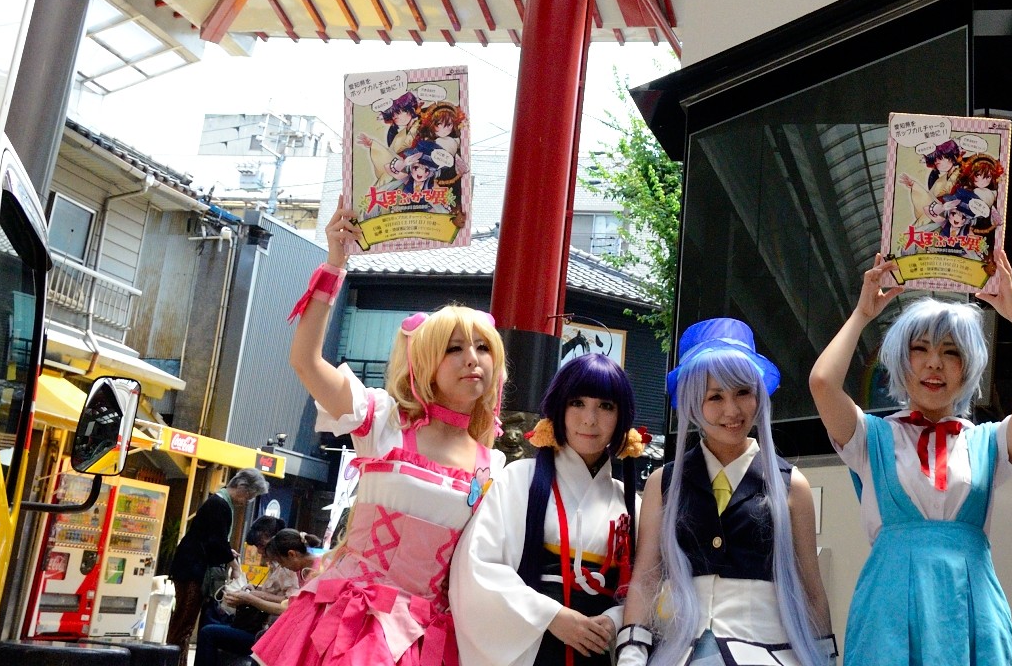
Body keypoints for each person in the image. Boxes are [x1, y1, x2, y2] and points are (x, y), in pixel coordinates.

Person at [252, 205, 507, 666]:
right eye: (454, 348)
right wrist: (335, 263)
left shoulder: (493, 464)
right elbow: (306, 361)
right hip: (350, 622)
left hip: (427, 637)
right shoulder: (383, 419)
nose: (472, 358)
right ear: (425, 361)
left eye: (483, 347)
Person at [808, 248, 1012, 665]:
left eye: (951, 352)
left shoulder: (987, 443)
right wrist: (862, 315)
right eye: (920, 348)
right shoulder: (870, 438)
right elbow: (822, 382)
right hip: (888, 615)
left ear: (968, 367)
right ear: (900, 360)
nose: (934, 364)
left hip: (972, 612)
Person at [617, 319, 833, 666]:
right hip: (679, 652)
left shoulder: (792, 485)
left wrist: (825, 657)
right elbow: (647, 577)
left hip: (769, 653)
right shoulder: (664, 482)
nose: (732, 411)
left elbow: (810, 589)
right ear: (692, 402)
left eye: (743, 392)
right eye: (715, 396)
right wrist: (632, 651)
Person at [452, 352, 648, 666]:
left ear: (621, 418)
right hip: (534, 647)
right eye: (577, 403)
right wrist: (552, 616)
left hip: (599, 650)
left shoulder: (632, 505)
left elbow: (651, 587)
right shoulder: (519, 480)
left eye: (606, 406)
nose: (590, 419)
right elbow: (478, 567)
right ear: (559, 409)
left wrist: (614, 620)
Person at [167, 466, 269, 656]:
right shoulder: (220, 504)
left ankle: (174, 659)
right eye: (249, 496)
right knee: (184, 623)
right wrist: (234, 565)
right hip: (192, 571)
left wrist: (227, 552)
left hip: (189, 568)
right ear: (242, 487)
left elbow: (211, 538)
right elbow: (216, 541)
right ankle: (173, 660)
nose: (247, 501)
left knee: (183, 622)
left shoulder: (220, 502)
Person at [198, 528, 323, 663]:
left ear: (291, 554)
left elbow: (288, 607)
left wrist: (251, 599)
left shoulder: (317, 571)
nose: (283, 567)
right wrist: (254, 595)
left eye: (281, 563)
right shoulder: (301, 570)